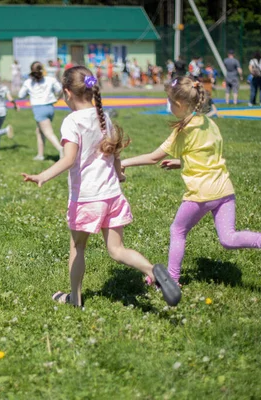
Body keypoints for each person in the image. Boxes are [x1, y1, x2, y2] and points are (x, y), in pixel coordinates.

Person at [22, 66, 179, 307]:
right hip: (112, 195)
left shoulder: (71, 121)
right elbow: (115, 154)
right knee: (117, 250)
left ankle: (75, 298)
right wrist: (119, 175)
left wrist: (44, 175)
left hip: (87, 198)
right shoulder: (104, 117)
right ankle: (153, 271)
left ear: (67, 93)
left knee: (78, 246)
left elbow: (69, 158)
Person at [121, 76, 261, 286]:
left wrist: (124, 162)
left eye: (169, 101)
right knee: (228, 238)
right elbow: (207, 154)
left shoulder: (183, 131)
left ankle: (172, 280)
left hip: (201, 194)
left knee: (178, 231)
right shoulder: (209, 123)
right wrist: (182, 161)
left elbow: (153, 157)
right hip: (224, 190)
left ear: (179, 104)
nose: (168, 105)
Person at [18, 61, 64, 161]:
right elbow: (61, 90)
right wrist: (58, 98)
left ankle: (61, 149)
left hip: (39, 109)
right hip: (50, 107)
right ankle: (40, 154)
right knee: (39, 131)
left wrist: (28, 93)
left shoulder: (28, 82)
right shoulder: (50, 79)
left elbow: (20, 95)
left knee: (48, 132)